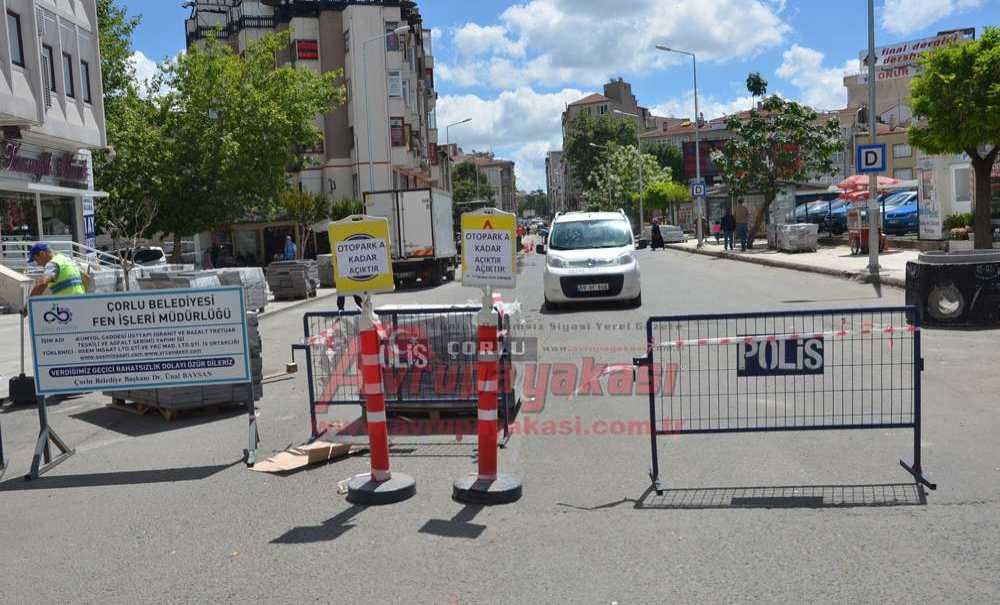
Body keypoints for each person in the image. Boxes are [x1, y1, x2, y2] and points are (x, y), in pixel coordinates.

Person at [26, 243, 92, 303]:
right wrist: (81, 296)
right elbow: (86, 277)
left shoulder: (52, 264)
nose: (38, 264)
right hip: (81, 302)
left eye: (36, 260)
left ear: (42, 254)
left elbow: (42, 283)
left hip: (67, 305)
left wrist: (28, 305)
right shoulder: (67, 259)